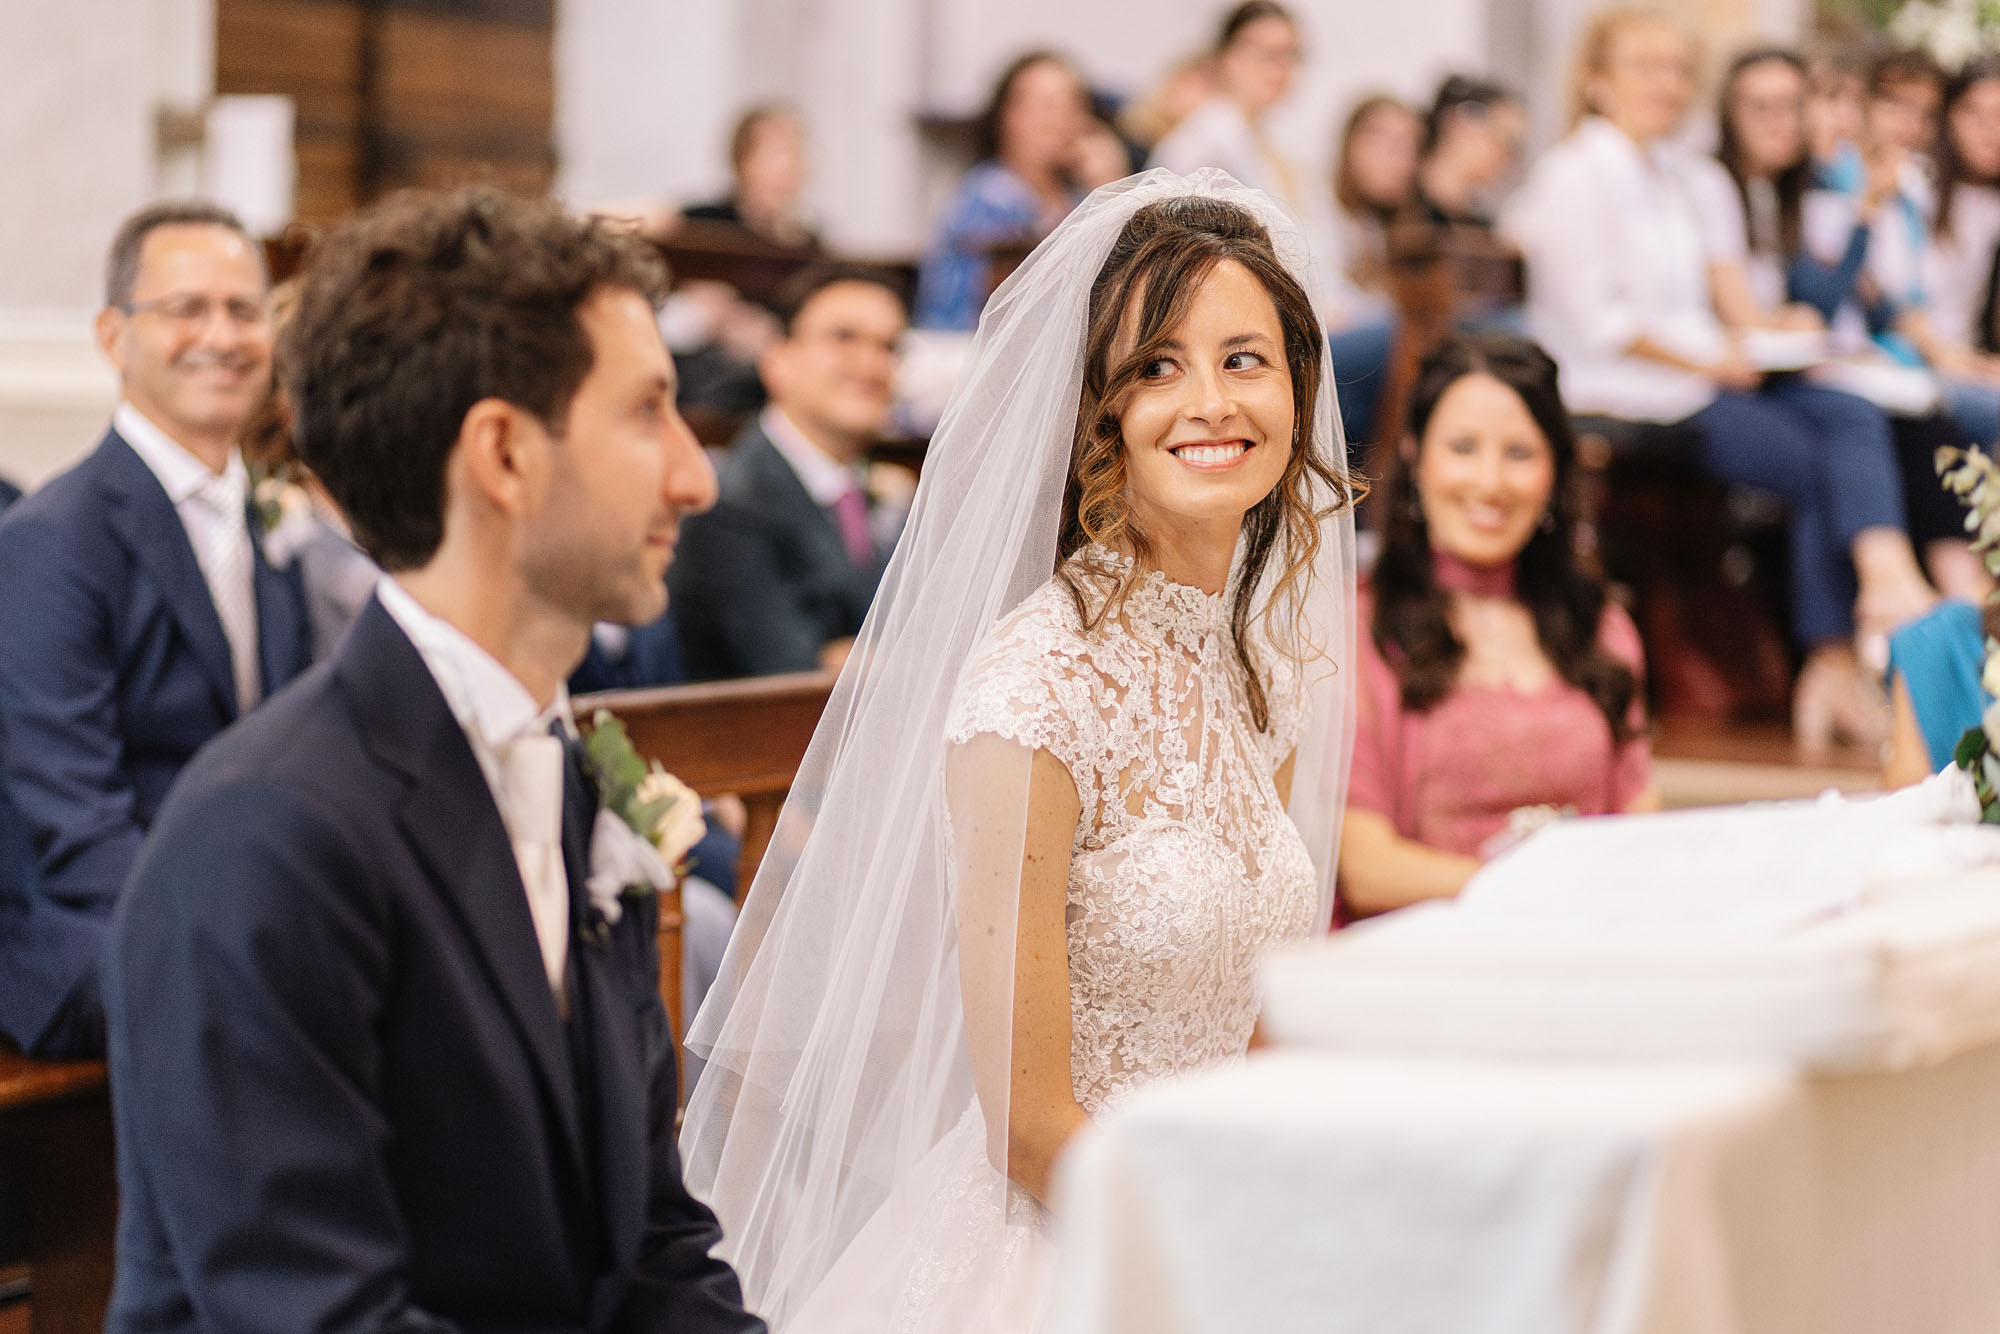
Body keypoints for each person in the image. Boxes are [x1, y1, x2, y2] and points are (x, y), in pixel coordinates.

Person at [679, 170, 1356, 1332]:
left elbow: (1254, 1007)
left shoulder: (1260, 669)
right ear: (1098, 408)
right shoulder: (1034, 685)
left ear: (1296, 386)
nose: (1208, 402)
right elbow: (1029, 1124)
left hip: (1221, 1205)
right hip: (1071, 1247)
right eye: (1156, 366)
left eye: (1243, 359)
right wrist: (1217, 1236)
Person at [102, 187, 764, 1333]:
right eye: (645, 412)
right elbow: (318, 1312)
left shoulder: (577, 785)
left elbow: (653, 1244)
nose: (693, 476)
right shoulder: (265, 833)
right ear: (503, 454)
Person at [1502, 5, 1938, 752]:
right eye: (1647, 68)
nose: (1667, 85)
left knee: (1845, 411)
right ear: (1598, 81)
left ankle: (1856, 629)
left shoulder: (1675, 176)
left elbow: (1706, 300)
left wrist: (1754, 338)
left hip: (1693, 374)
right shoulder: (1573, 174)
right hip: (1620, 388)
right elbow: (1604, 324)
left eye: (1678, 71)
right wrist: (1714, 359)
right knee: (1810, 460)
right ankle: (1839, 653)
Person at [0, 200, 313, 1058]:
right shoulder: (52, 541)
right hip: (87, 934)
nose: (222, 335)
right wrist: (236, 943)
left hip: (231, 907)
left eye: (244, 310)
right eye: (186, 309)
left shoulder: (270, 531)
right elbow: (76, 830)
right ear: (114, 337)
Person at [1339, 334, 1655, 915]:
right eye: (1463, 447)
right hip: (1428, 949)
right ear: (1414, 457)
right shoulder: (1357, 632)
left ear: (1555, 471)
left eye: (1519, 453)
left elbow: (1640, 829)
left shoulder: (1600, 626)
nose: (1490, 482)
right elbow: (1367, 871)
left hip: (1588, 940)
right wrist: (1537, 893)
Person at [1692, 46, 1986, 608]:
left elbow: (1877, 301)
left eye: (1793, 106)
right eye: (1763, 108)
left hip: (1833, 358)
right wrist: (1865, 211)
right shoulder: (1747, 185)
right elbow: (1810, 300)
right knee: (1864, 423)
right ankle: (1894, 590)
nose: (1784, 122)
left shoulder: (1793, 190)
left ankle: (1959, 595)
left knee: (1926, 425)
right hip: (1758, 368)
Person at [669, 264, 910, 679]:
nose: (872, 364)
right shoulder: (729, 507)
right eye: (844, 338)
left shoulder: (872, 493)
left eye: (889, 347)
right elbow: (796, 678)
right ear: (777, 361)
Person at [914, 52, 1105, 331]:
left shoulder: (1080, 197)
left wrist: (1110, 187)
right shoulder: (986, 200)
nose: (1063, 118)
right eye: (1048, 105)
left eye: (1074, 104)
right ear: (1008, 116)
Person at [680, 104, 821, 251]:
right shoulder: (701, 224)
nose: (792, 163)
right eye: (778, 152)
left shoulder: (808, 244)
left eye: (797, 151)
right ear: (743, 161)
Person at [1331, 94, 1423, 302]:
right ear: (1354, 145)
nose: (1406, 164)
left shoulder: (1375, 226)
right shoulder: (1319, 217)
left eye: (1414, 149)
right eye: (1395, 147)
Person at [1413, 74, 1527, 232]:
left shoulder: (1480, 227)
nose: (1509, 157)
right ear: (1459, 123)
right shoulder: (1399, 211)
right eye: (1506, 140)